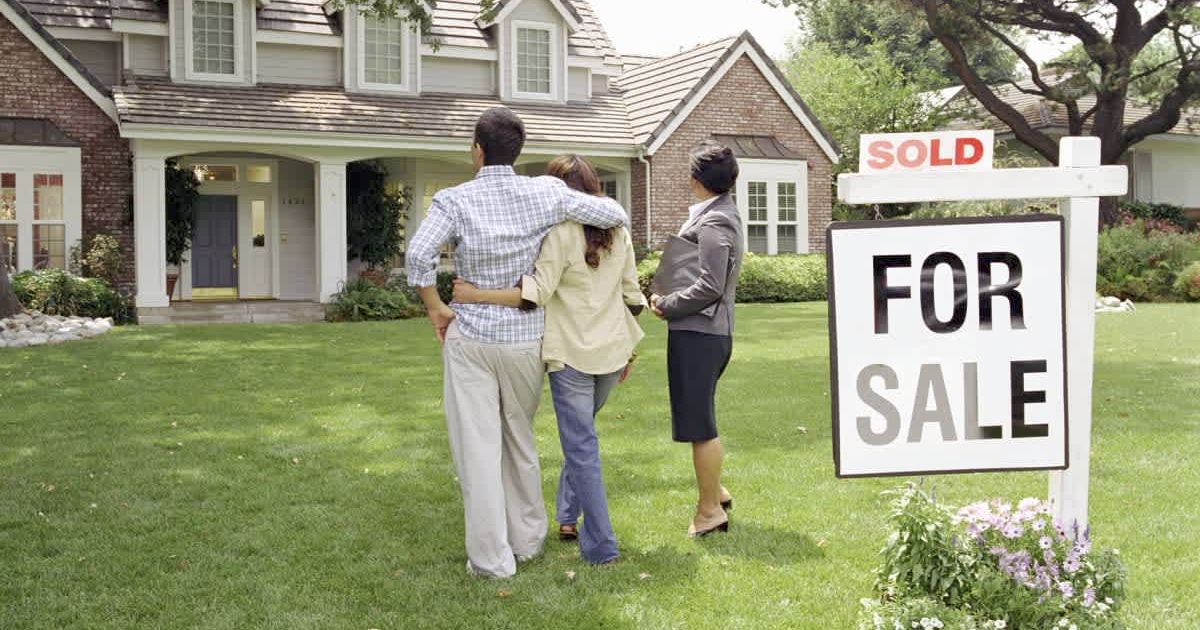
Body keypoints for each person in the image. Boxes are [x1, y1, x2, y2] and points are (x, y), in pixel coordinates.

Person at [405, 108, 628, 579]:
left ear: (477, 150)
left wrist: (434, 306)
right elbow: (614, 213)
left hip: (472, 337)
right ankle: (527, 541)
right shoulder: (545, 192)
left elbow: (419, 255)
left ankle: (491, 560)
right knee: (519, 438)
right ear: (517, 151)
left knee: (478, 447)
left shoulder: (454, 200)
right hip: (526, 339)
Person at [453, 154, 646, 566]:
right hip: (612, 352)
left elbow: (535, 293)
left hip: (572, 356)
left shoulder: (559, 232)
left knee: (581, 446)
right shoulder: (618, 231)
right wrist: (628, 349)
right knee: (583, 440)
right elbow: (633, 296)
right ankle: (565, 516)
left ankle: (601, 547)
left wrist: (474, 295)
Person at [649, 141, 744, 538]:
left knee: (700, 425)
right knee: (701, 418)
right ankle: (715, 493)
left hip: (699, 335)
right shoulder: (721, 213)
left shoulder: (715, 222)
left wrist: (667, 304)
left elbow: (710, 285)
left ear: (694, 181)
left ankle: (708, 511)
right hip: (707, 335)